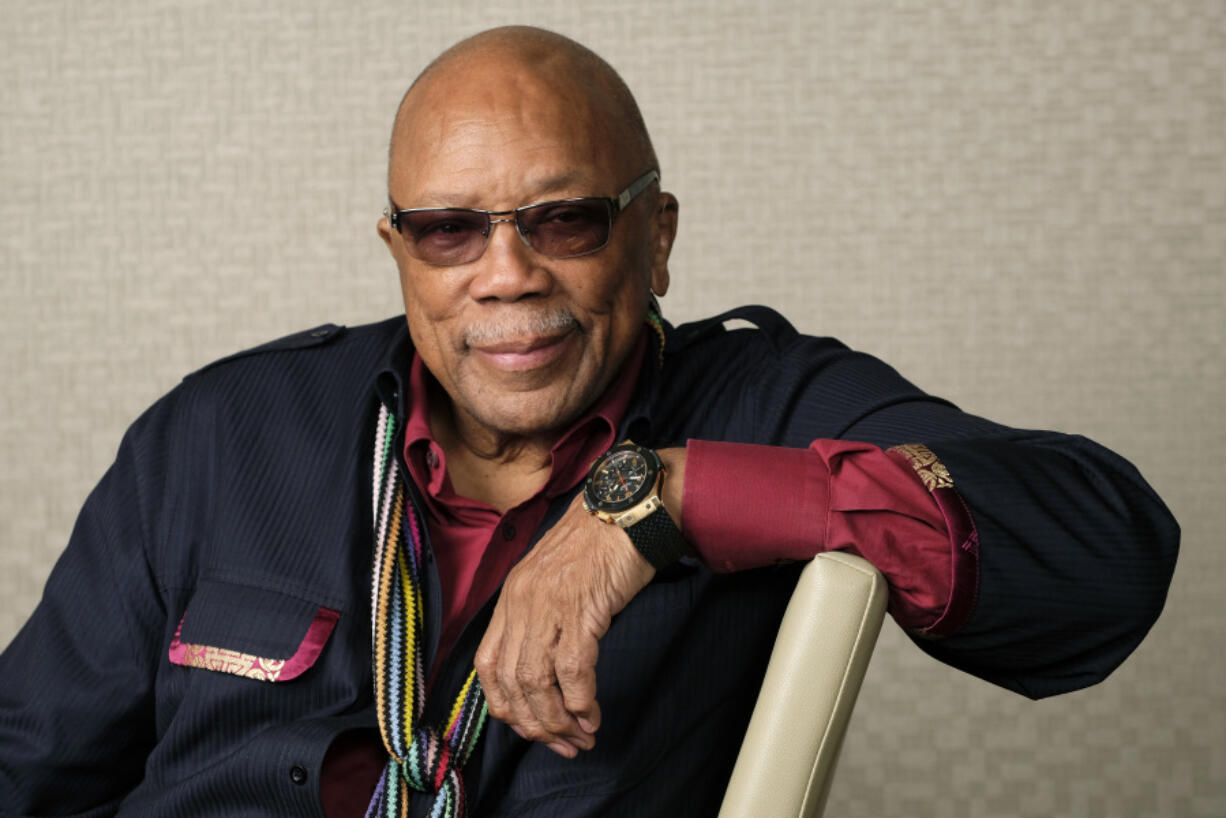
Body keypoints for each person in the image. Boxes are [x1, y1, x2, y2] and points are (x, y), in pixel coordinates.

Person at [0, 25, 1178, 818]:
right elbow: (31, 760)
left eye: (562, 219)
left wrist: (662, 497)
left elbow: (1103, 549)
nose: (505, 275)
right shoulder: (218, 431)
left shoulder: (765, 401)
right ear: (399, 250)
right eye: (450, 230)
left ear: (655, 236)